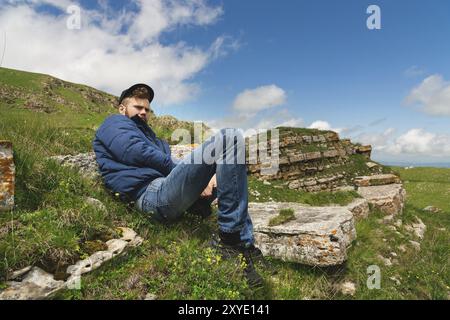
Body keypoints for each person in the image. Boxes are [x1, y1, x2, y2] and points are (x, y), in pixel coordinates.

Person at [92, 84, 264, 287]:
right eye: (138, 107)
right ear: (122, 108)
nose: (143, 112)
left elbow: (169, 162)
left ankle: (245, 245)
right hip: (149, 194)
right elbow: (134, 151)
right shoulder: (115, 123)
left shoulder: (154, 138)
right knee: (230, 137)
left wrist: (210, 178)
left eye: (147, 109)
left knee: (232, 179)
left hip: (165, 189)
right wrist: (191, 178)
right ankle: (229, 242)